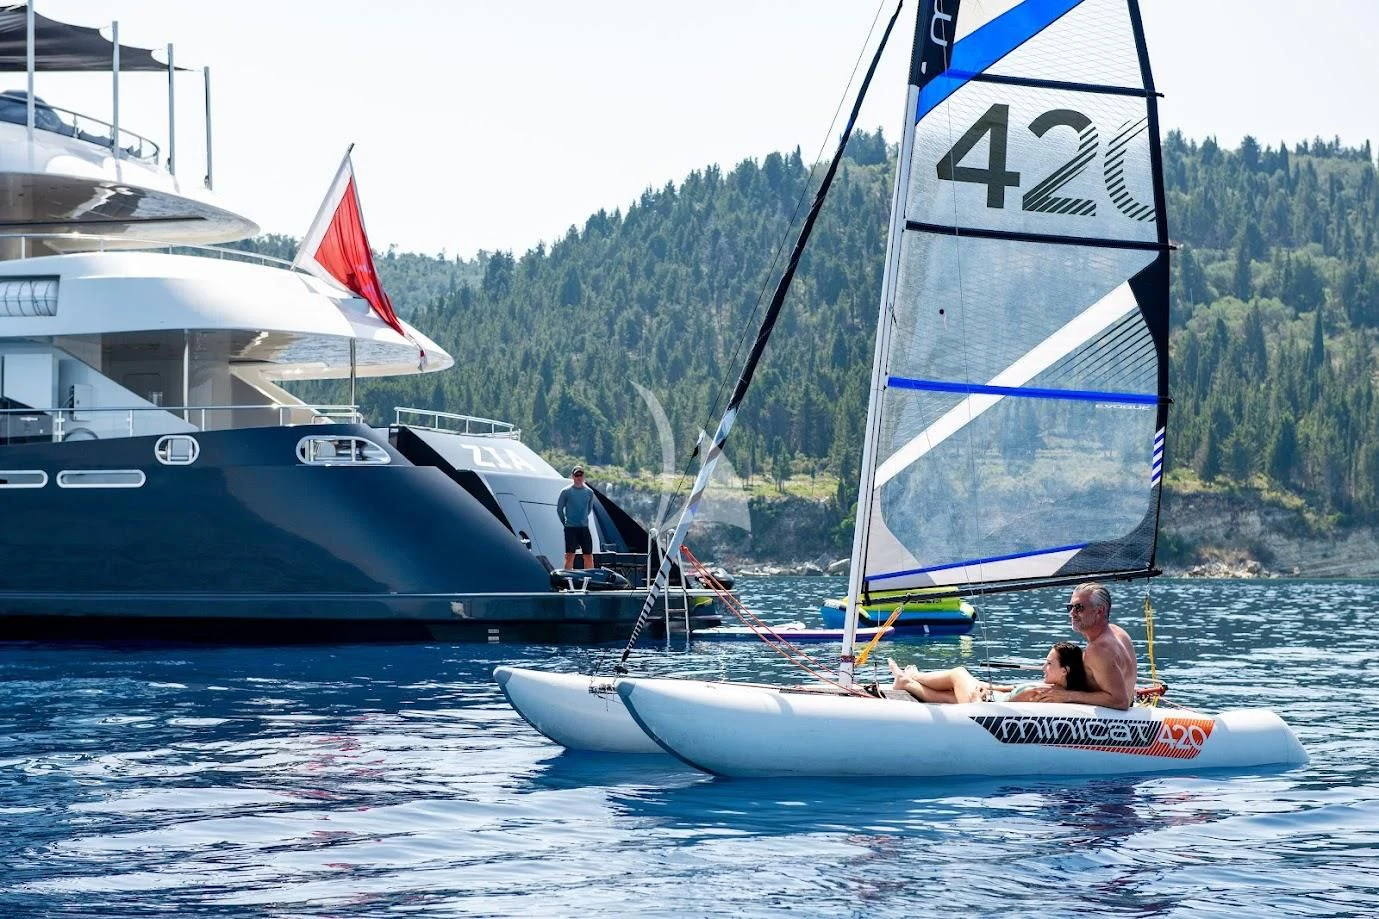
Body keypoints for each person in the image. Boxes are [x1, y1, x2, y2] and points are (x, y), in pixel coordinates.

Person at [1025, 582, 1138, 710]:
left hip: (1112, 719)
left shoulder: (1098, 650)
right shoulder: (1119, 632)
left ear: (1100, 611)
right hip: (1128, 710)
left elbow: (1120, 702)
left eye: (1079, 607)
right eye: (1070, 607)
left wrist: (1066, 696)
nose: (1072, 613)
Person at [888, 641, 1089, 704]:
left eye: (1049, 664)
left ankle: (914, 676)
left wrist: (982, 696)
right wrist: (985, 685)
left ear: (1065, 670)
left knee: (958, 673)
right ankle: (905, 682)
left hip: (983, 708)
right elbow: (1010, 688)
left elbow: (1013, 708)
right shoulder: (1050, 687)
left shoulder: (1047, 694)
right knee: (949, 695)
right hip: (987, 700)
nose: (1044, 667)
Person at [556, 465, 595, 570]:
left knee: (588, 556)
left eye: (580, 475)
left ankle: (590, 582)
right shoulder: (566, 492)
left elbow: (588, 509)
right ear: (572, 476)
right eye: (576, 475)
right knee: (569, 556)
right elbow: (559, 509)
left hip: (584, 528)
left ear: (583, 476)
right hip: (570, 528)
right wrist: (565, 523)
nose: (578, 477)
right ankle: (567, 582)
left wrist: (582, 519)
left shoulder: (589, 492)